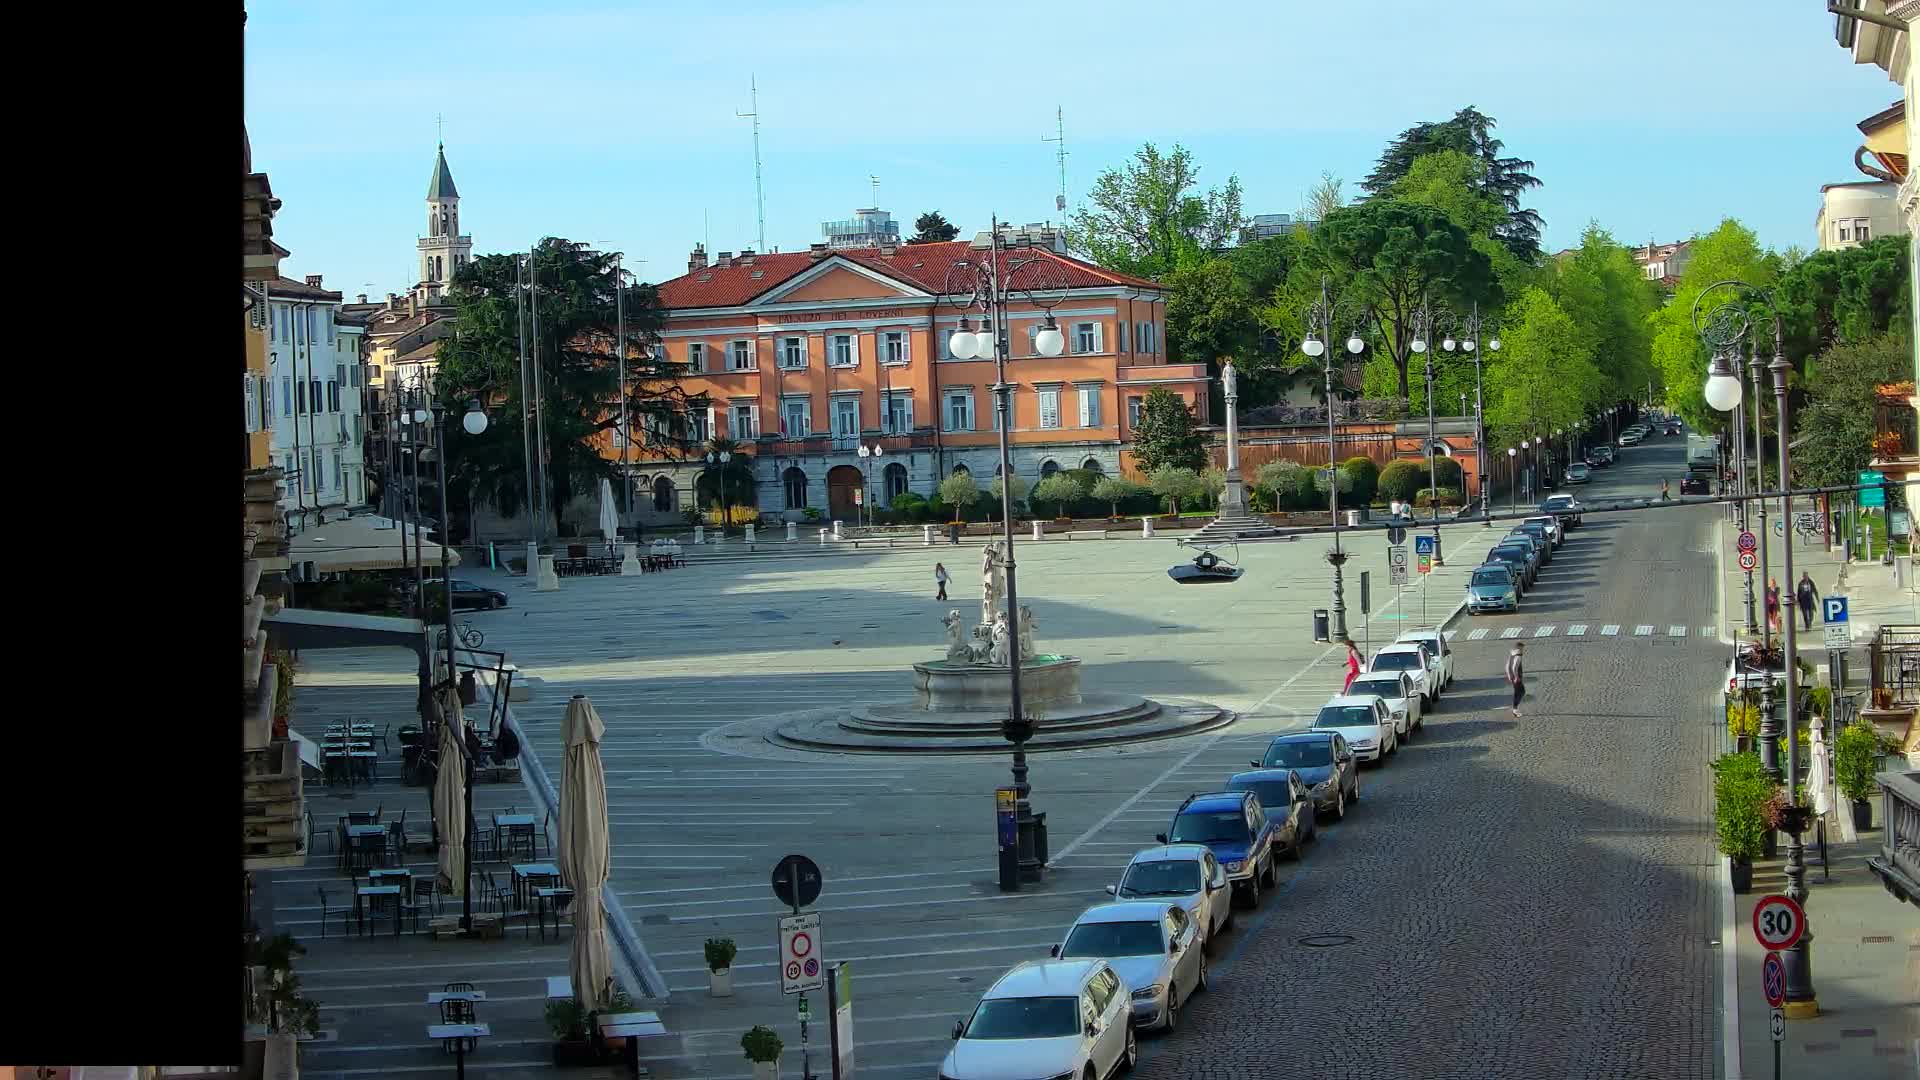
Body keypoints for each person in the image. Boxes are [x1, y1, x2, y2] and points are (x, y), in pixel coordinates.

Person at [1505, 641, 1526, 718]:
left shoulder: (1512, 655)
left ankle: (1515, 708)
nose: (1523, 650)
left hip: (1513, 677)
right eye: (1522, 648)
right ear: (1519, 648)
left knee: (1519, 692)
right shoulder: (1518, 656)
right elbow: (1514, 667)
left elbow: (1507, 666)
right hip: (1516, 677)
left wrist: (1509, 675)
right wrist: (1516, 677)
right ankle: (1515, 710)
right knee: (1520, 692)